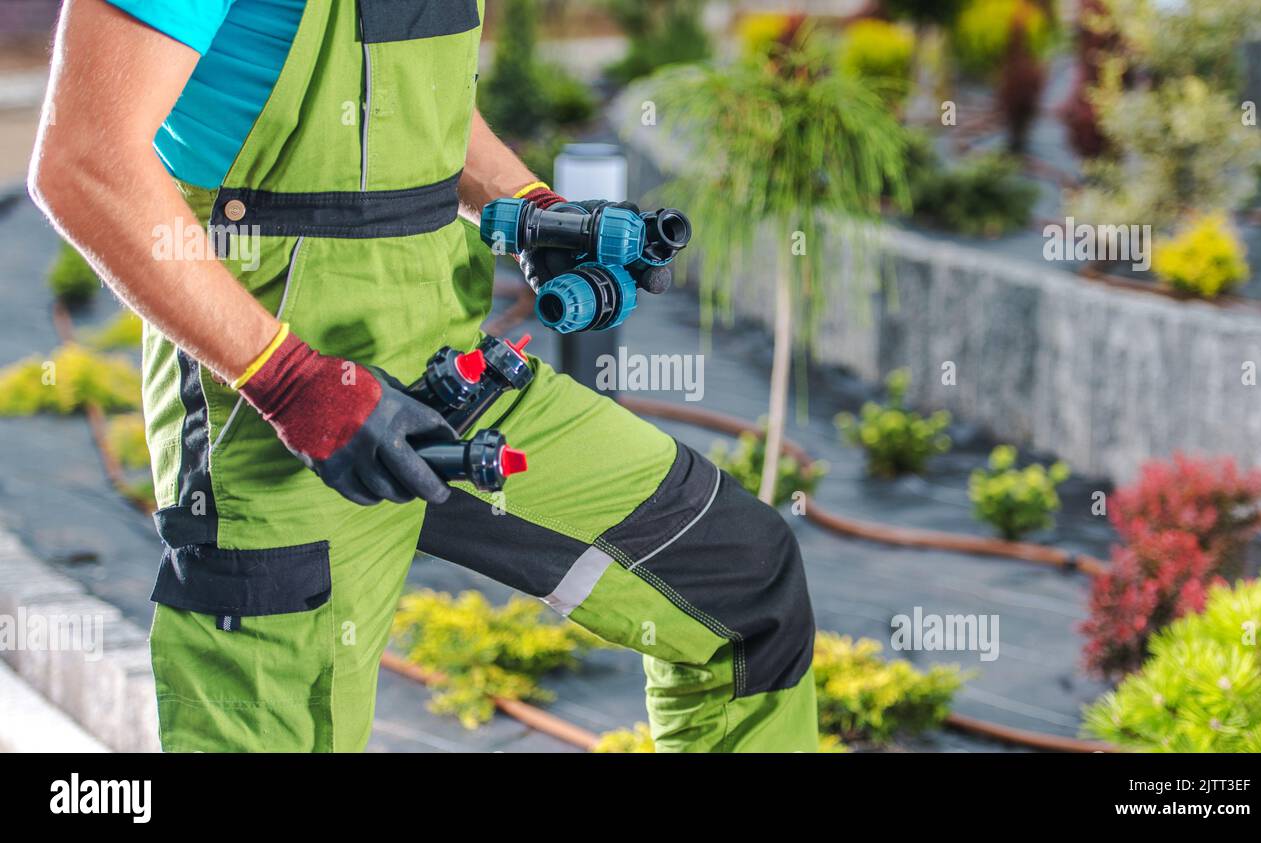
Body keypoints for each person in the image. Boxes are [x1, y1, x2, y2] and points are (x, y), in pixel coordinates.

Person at [28, 0, 818, 752]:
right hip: (266, 408)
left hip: (448, 364)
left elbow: (419, 100)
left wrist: (529, 208)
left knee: (739, 584)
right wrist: (291, 380)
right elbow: (86, 161)